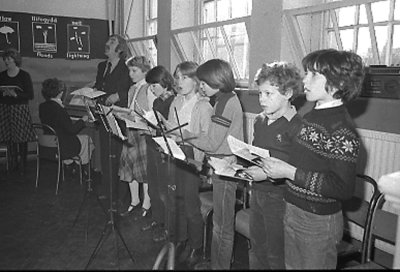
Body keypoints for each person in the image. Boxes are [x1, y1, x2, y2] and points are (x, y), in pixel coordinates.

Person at [260, 49, 365, 269]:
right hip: (293, 208)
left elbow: (342, 187)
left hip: (317, 220)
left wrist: (288, 172)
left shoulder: (342, 130)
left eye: (313, 75)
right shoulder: (311, 116)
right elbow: (304, 163)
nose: (305, 79)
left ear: (336, 85)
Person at [168, 59, 244, 269]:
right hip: (220, 165)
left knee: (222, 227)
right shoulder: (223, 99)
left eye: (204, 83)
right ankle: (216, 263)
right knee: (220, 225)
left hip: (225, 167)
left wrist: (185, 136)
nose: (201, 87)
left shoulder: (226, 103)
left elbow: (211, 142)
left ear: (217, 81)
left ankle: (218, 265)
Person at [243, 62, 303, 269]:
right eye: (260, 94)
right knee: (257, 245)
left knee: (276, 252)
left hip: (280, 197)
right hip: (257, 192)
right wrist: (240, 164)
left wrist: (266, 175)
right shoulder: (259, 121)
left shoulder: (297, 126)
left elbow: (296, 169)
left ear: (287, 93)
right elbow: (255, 153)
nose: (262, 100)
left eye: (268, 94)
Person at [164, 61, 213, 267]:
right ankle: (182, 239)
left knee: (192, 206)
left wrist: (186, 137)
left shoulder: (203, 106)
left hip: (192, 158)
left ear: (196, 81)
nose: (179, 81)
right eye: (177, 77)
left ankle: (196, 246)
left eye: (184, 77)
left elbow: (206, 138)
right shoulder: (176, 101)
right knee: (177, 201)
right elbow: (170, 127)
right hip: (174, 154)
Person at [92, 34, 132, 203]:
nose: (107, 44)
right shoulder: (102, 66)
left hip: (120, 117)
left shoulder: (127, 67)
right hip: (104, 115)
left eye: (112, 42)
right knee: (106, 155)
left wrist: (119, 95)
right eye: (108, 40)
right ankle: (108, 191)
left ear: (120, 48)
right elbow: (98, 85)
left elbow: (135, 88)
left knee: (118, 158)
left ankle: (121, 195)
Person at [116, 56, 156, 219]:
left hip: (144, 133)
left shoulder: (149, 89)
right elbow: (130, 110)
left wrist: (135, 117)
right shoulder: (132, 89)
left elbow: (153, 115)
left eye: (134, 70)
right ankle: (134, 200)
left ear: (144, 71)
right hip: (131, 131)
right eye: (129, 71)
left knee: (144, 171)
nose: (130, 74)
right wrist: (121, 112)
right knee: (130, 168)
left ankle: (147, 203)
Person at [140, 65, 176, 243]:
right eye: (150, 86)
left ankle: (168, 227)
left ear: (164, 82)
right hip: (152, 145)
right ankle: (157, 219)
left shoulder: (173, 101)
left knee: (164, 189)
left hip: (164, 149)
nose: (152, 89)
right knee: (153, 186)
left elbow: (172, 129)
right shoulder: (156, 102)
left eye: (154, 85)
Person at [39, 78, 94, 174]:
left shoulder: (42, 106)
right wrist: (83, 120)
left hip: (49, 144)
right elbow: (72, 130)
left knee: (74, 137)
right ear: (60, 93)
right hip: (62, 146)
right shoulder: (59, 109)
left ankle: (70, 164)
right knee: (87, 139)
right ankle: (82, 167)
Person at [0, 48, 36, 175]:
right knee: (9, 137)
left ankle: (23, 163)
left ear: (15, 60)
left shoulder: (24, 75)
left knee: (21, 138)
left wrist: (15, 95)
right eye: (5, 59)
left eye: (9, 59)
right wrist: (4, 92)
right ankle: (13, 162)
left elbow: (29, 94)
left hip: (19, 108)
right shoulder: (2, 75)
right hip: (5, 108)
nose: (6, 61)